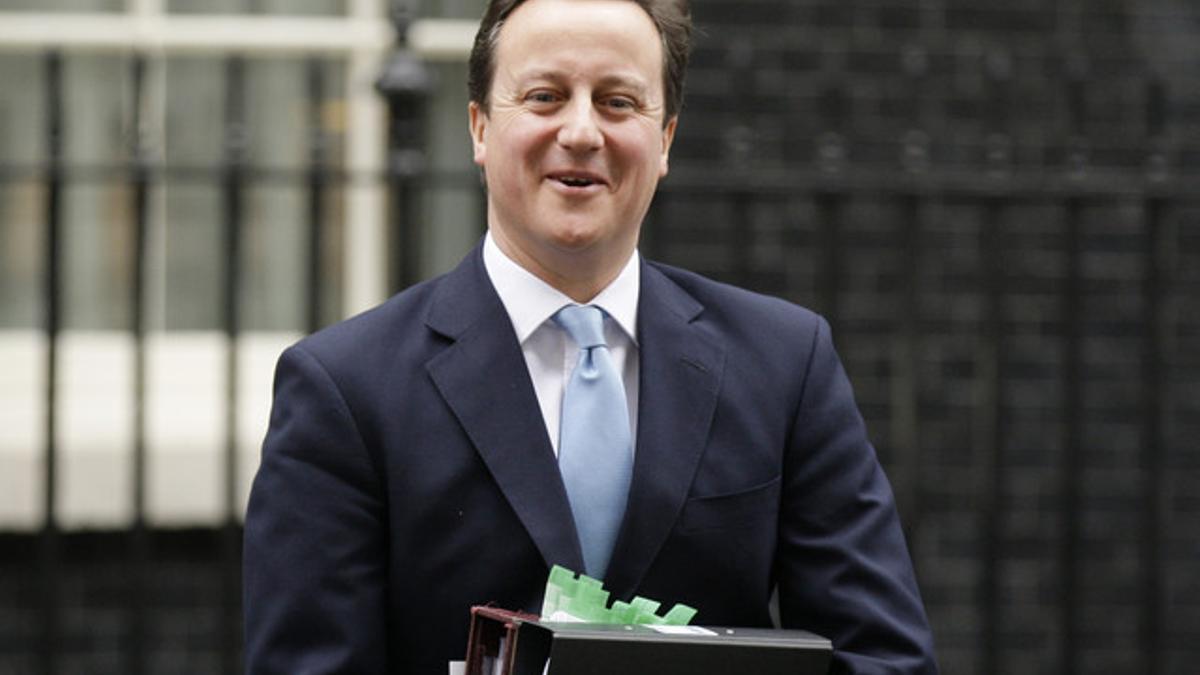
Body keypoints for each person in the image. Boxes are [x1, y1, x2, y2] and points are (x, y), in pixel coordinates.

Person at [242, 0, 939, 672]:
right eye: (545, 97)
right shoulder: (346, 389)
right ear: (480, 128)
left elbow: (883, 656)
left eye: (618, 101)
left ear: (665, 140)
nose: (581, 131)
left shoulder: (785, 365)